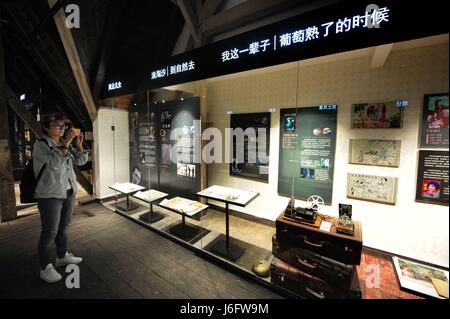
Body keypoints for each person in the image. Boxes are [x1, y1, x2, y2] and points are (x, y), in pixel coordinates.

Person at [33, 113, 89, 283]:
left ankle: (62, 255)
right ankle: (45, 267)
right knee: (50, 231)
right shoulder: (41, 145)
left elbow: (80, 161)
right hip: (49, 194)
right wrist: (66, 143)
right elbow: (56, 165)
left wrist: (78, 144)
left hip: (68, 191)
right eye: (57, 125)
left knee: (64, 227)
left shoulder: (65, 144)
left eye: (63, 125)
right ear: (46, 127)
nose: (62, 128)